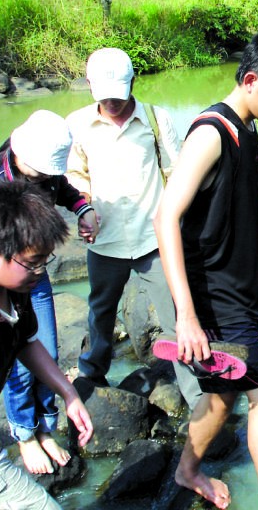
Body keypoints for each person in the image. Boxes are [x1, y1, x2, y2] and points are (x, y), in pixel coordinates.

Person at [153, 29, 258, 509]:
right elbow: (165, 216)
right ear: (250, 80)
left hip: (236, 290)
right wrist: (185, 315)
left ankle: (186, 470)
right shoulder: (211, 133)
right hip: (212, 297)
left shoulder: (248, 126)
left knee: (223, 393)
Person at [64, 48, 202, 409]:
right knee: (100, 313)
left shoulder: (156, 119)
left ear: (134, 83)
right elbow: (75, 177)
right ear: (90, 85)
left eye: (117, 94)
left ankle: (196, 394)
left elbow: (180, 169)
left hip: (153, 241)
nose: (111, 102)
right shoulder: (77, 125)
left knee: (175, 319)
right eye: (103, 94)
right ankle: (91, 376)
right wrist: (84, 209)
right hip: (105, 243)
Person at [0, 110, 99, 475]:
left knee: (43, 346)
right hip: (2, 277)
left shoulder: (49, 177)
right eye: (39, 174)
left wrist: (84, 208)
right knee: (12, 364)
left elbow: (66, 190)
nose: (45, 179)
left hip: (26, 274)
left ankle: (46, 425)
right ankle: (24, 434)